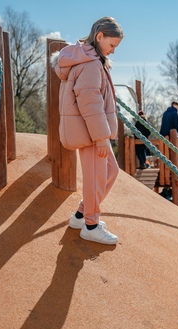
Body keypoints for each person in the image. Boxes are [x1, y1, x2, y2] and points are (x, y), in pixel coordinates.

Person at [54, 16, 123, 245]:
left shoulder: (92, 60)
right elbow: (90, 103)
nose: (113, 51)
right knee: (96, 178)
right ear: (99, 36)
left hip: (94, 132)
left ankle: (80, 215)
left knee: (111, 171)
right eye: (111, 45)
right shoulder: (91, 63)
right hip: (92, 134)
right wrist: (102, 138)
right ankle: (91, 226)